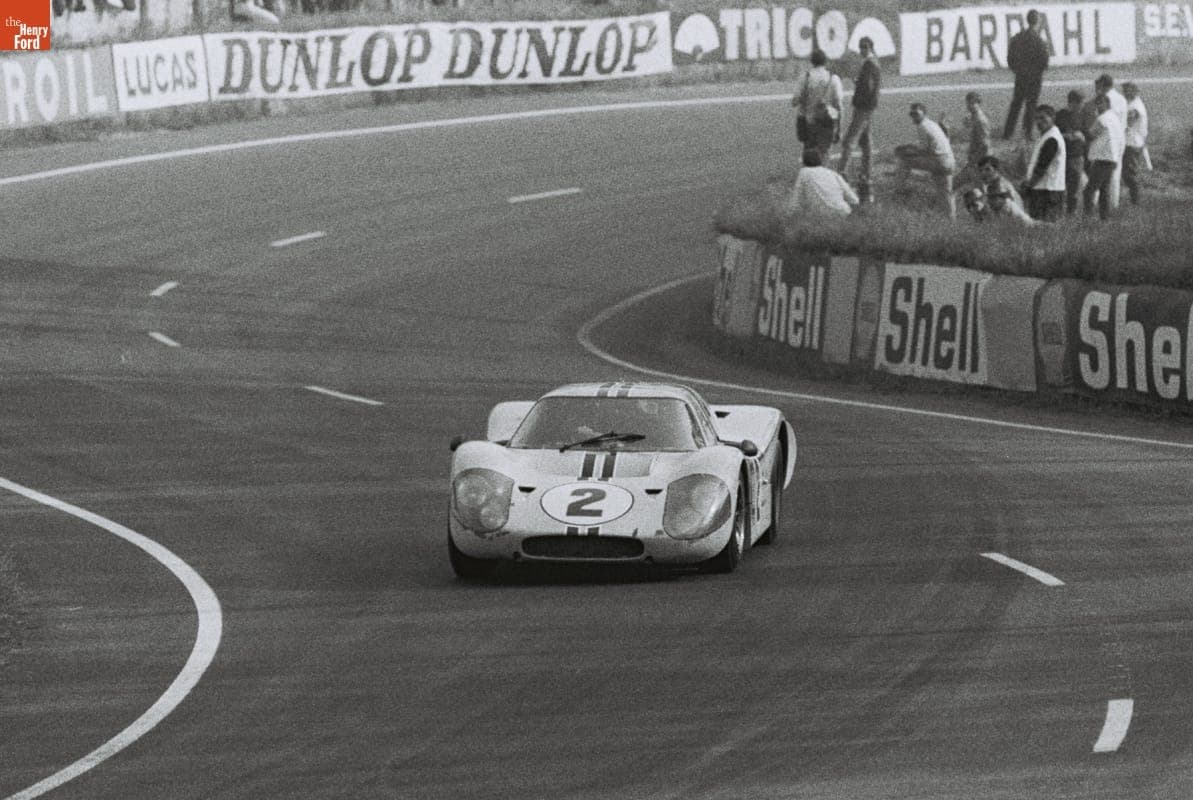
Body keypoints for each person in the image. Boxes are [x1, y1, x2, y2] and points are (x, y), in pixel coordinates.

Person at [895, 103, 957, 218]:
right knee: (945, 192)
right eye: (912, 114)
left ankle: (899, 189)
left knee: (904, 161)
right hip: (950, 161)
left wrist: (908, 151)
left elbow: (924, 150)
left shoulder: (922, 126)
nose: (914, 116)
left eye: (916, 114)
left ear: (924, 113)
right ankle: (951, 219)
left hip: (939, 161)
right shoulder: (932, 124)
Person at [838, 36, 881, 202]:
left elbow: (869, 87)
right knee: (866, 142)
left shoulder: (870, 64)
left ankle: (841, 172)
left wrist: (860, 96)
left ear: (870, 47)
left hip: (863, 108)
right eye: (860, 47)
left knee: (849, 140)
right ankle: (866, 174)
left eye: (865, 47)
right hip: (868, 107)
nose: (862, 50)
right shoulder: (873, 63)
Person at [1003, 9, 1050, 140]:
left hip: (1021, 75)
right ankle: (1027, 132)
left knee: (1016, 104)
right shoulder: (1040, 41)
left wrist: (1017, 70)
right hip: (1034, 77)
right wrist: (1038, 71)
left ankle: (1008, 132)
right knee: (1031, 105)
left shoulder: (1017, 38)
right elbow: (1045, 61)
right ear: (1037, 22)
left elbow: (1010, 58)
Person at [793, 49, 844, 158]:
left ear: (812, 61)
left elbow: (795, 101)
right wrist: (839, 127)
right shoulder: (834, 78)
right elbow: (839, 105)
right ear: (825, 61)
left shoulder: (805, 78)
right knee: (825, 153)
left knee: (809, 153)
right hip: (828, 120)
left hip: (809, 121)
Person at [1021, 104, 1066, 221]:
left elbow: (1042, 167)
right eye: (1036, 118)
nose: (1039, 122)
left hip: (1047, 190)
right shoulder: (1046, 136)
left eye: (1043, 118)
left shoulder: (1052, 138)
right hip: (1044, 188)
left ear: (1052, 117)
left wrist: (1028, 185)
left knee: (1043, 226)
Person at [1084, 94, 1124, 221]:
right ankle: (1104, 218)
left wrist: (1083, 130)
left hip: (1102, 158)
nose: (1098, 106)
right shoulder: (1115, 118)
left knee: (1089, 191)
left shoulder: (1102, 119)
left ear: (1107, 104)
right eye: (1097, 103)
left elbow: (1091, 135)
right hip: (1112, 158)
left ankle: (1088, 217)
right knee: (1104, 190)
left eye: (1100, 103)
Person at [787, 148, 859, 218]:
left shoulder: (804, 172)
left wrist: (789, 214)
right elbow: (854, 199)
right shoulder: (833, 173)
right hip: (843, 211)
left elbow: (796, 197)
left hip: (820, 215)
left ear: (804, 162)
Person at [1053, 89, 1087, 214]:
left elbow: (1083, 130)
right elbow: (1057, 134)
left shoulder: (1080, 115)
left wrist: (1082, 136)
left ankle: (1071, 212)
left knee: (1074, 188)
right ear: (1072, 103)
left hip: (1078, 156)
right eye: (1080, 104)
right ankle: (1058, 211)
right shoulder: (1061, 116)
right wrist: (1072, 135)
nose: (1081, 107)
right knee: (1061, 185)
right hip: (1065, 156)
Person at [1121, 81, 1149, 205]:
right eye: (1124, 90)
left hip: (1132, 143)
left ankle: (1136, 201)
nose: (1125, 92)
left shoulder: (1135, 106)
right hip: (1132, 142)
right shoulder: (1132, 104)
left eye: (1127, 90)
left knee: (1129, 173)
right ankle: (1135, 199)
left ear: (1134, 91)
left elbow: (1129, 123)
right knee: (1128, 172)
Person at [962, 91, 992, 180]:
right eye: (967, 103)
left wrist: (973, 161)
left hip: (981, 160)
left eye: (972, 103)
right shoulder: (974, 117)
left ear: (978, 103)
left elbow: (985, 145)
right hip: (976, 158)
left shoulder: (980, 120)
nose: (968, 105)